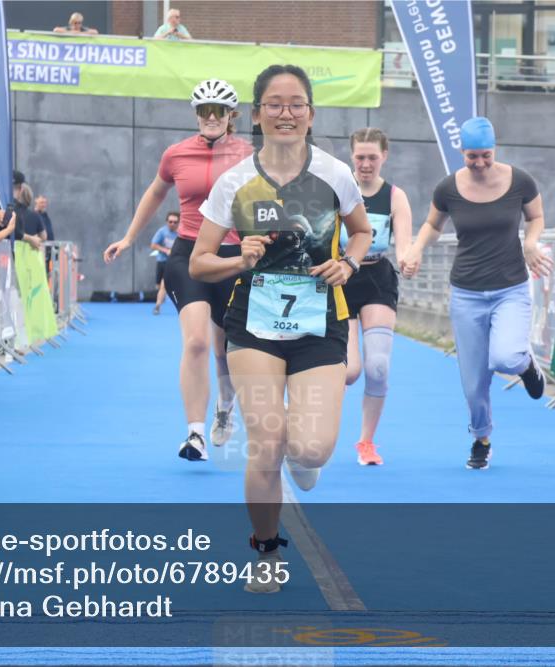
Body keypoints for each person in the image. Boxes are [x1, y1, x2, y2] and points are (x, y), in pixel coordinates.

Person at [190, 64, 371, 593]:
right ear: (257, 114)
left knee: (310, 450)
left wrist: (350, 265)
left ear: (311, 115)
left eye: (296, 104)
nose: (285, 113)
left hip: (320, 325)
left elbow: (360, 234)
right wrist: (236, 259)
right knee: (266, 444)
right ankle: (266, 550)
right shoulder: (234, 181)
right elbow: (200, 262)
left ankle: (303, 451)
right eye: (274, 104)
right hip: (254, 324)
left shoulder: (336, 175)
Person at [104, 79, 251, 461]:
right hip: (187, 255)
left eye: (220, 110)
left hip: (231, 257)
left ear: (232, 115)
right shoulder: (177, 154)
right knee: (197, 342)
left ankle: (224, 406)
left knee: (225, 349)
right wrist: (129, 237)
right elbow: (155, 193)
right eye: (205, 111)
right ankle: (195, 434)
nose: (212, 117)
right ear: (197, 115)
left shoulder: (249, 155)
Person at [402, 117, 551, 470]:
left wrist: (530, 242)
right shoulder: (448, 188)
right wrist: (416, 248)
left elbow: (537, 217)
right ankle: (481, 438)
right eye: (472, 157)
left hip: (510, 287)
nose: (480, 163)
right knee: (474, 383)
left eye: (485, 155)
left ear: (494, 149)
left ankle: (527, 365)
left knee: (506, 358)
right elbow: (432, 225)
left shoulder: (520, 181)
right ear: (462, 153)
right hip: (466, 293)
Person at [339, 128, 412, 466]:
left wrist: (409, 259)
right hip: (341, 278)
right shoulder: (338, 190)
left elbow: (405, 244)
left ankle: (366, 442)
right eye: (360, 157)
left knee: (378, 365)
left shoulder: (394, 196)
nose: (366, 164)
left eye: (372, 157)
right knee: (350, 371)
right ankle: (306, 416)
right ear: (351, 156)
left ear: (385, 155)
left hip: (377, 280)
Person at [150, 212, 180, 315]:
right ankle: (161, 298)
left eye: (175, 222)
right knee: (158, 286)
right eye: (170, 222)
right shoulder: (162, 232)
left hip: (173, 263)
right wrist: (165, 250)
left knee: (164, 285)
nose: (172, 224)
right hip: (161, 261)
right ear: (167, 222)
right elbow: (153, 245)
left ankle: (157, 306)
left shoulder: (181, 233)